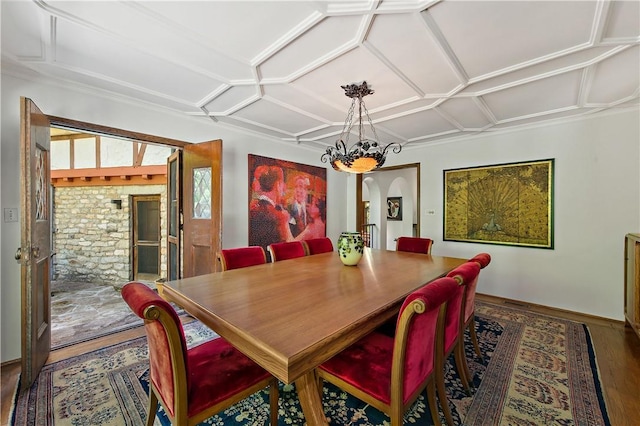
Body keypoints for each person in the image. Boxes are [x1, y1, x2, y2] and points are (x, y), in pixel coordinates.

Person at [249, 165, 294, 250]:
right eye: (282, 183)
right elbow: (290, 248)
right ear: (277, 185)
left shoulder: (255, 207)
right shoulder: (276, 215)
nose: (283, 189)